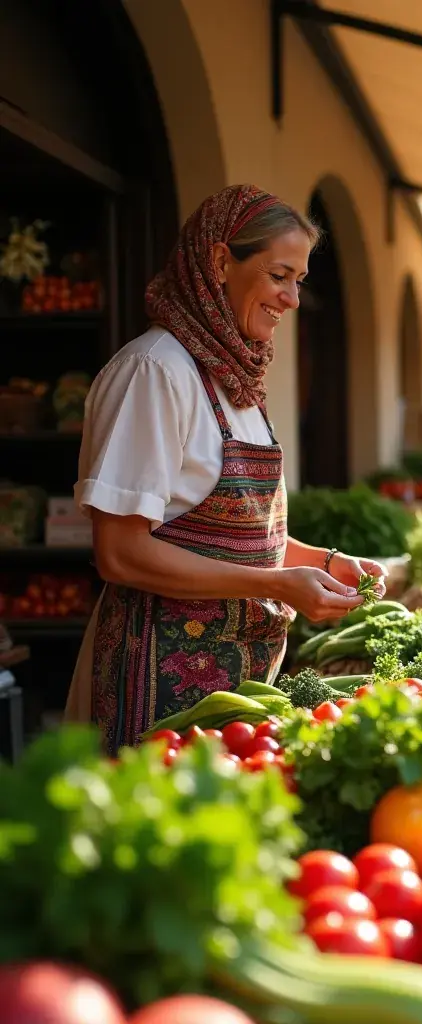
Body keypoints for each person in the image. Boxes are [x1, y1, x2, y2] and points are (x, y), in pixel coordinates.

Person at [64, 185, 385, 754]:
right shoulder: (154, 372)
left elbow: (234, 535)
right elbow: (119, 551)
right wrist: (275, 585)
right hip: (155, 681)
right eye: (279, 275)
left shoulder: (231, 376)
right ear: (219, 263)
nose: (292, 299)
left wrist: (327, 563)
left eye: (300, 281)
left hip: (236, 686)